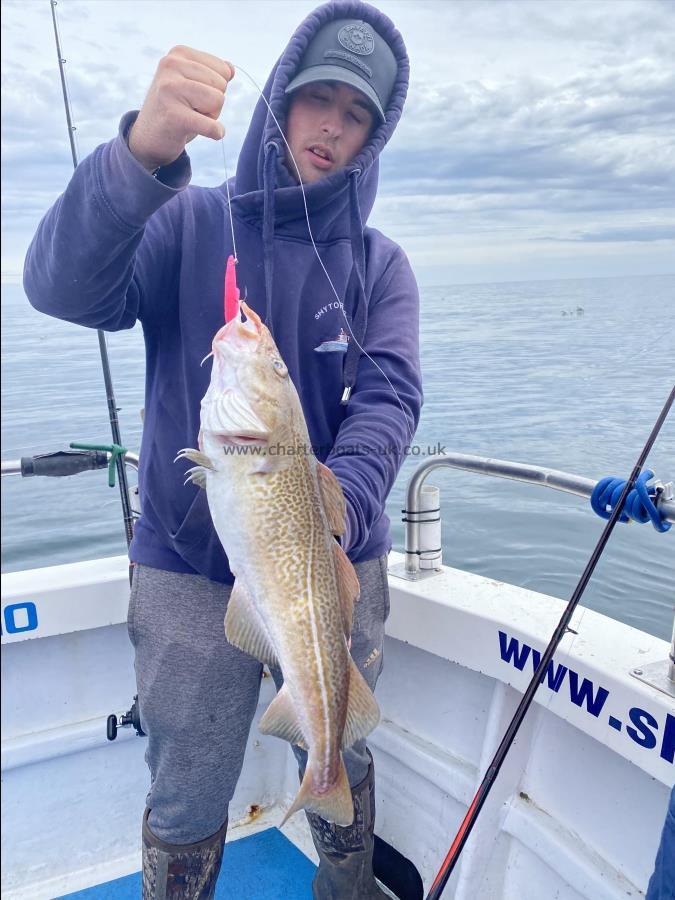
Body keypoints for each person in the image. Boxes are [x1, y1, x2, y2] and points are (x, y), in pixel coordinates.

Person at [24, 1, 422, 897]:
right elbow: (60, 287)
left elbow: (390, 396)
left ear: (374, 135)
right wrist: (141, 158)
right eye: (316, 97)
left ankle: (346, 884)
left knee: (339, 740)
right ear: (279, 101)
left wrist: (342, 503)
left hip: (330, 565)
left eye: (355, 112)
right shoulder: (183, 221)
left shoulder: (379, 264)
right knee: (187, 780)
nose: (330, 124)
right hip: (184, 565)